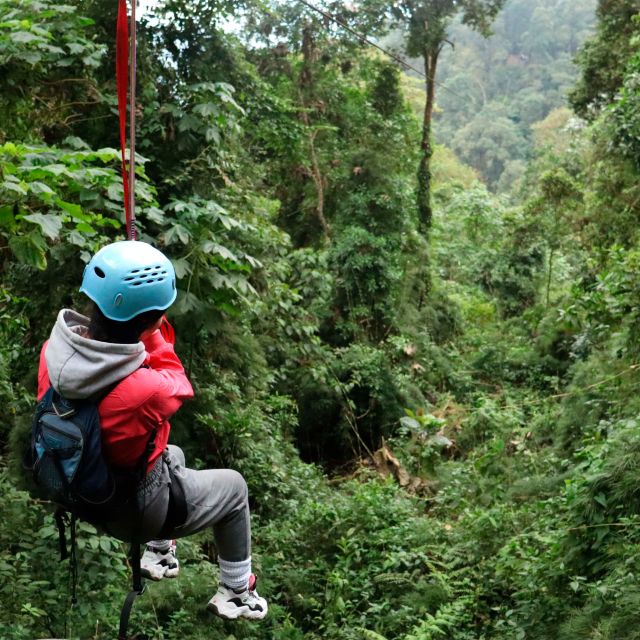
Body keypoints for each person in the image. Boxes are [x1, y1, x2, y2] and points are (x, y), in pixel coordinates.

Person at [36, 240, 267, 621]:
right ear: (153, 319)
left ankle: (159, 554)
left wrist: (140, 315)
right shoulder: (145, 391)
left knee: (172, 453)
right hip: (131, 510)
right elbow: (176, 380)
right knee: (234, 487)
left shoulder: (53, 352)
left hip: (78, 488)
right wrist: (154, 332)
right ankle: (237, 592)